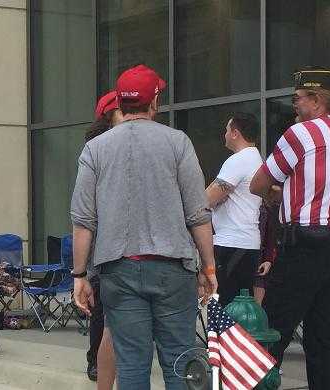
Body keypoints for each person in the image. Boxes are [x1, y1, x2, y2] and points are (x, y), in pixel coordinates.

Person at [71, 64, 218, 390]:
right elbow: (198, 214)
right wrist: (208, 267)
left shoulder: (95, 149)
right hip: (173, 270)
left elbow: (83, 220)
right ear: (154, 102)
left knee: (133, 365)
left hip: (119, 271)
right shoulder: (178, 142)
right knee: (180, 360)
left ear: (120, 103)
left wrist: (79, 275)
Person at [250, 66, 330, 389]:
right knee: (324, 336)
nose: (294, 104)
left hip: (303, 243)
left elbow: (259, 183)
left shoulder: (301, 134)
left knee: (271, 329)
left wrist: (276, 197)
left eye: (298, 98)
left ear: (316, 100)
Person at [84, 90, 122, 389]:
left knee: (106, 309)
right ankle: (96, 360)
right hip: (104, 245)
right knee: (103, 309)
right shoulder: (98, 149)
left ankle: (101, 361)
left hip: (111, 245)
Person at [204, 113, 263, 306]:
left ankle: (221, 338)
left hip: (231, 243)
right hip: (247, 243)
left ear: (236, 133)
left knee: (223, 307)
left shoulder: (238, 160)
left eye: (227, 130)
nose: (225, 134)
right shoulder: (255, 158)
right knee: (240, 308)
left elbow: (207, 198)